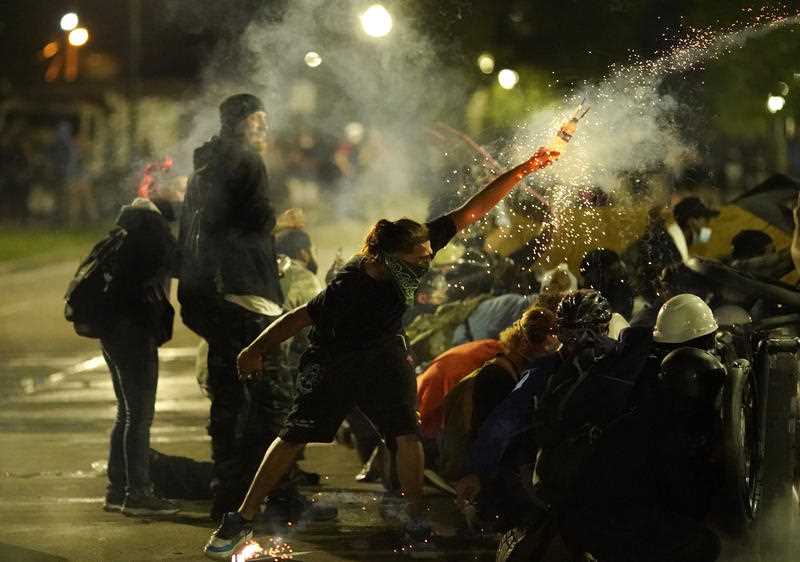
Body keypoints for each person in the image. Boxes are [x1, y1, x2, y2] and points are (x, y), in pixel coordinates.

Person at [203, 145, 559, 559]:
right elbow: (299, 317)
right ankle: (241, 517)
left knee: (406, 434)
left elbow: (474, 208)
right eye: (419, 258)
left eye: (429, 253)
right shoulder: (350, 286)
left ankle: (416, 522)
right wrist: (253, 349)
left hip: (384, 353)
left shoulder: (417, 246)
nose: (427, 262)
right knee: (293, 436)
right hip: (335, 359)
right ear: (390, 257)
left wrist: (527, 168)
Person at [177, 94, 303, 522]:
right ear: (241, 123)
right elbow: (247, 223)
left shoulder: (204, 167)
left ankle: (227, 495)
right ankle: (277, 493)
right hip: (248, 295)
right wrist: (279, 225)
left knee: (230, 401)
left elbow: (209, 228)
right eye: (258, 120)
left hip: (213, 295)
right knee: (272, 402)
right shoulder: (245, 162)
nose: (264, 128)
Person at [529, 293, 722, 562]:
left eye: (588, 331)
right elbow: (679, 487)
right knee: (703, 544)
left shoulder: (629, 368)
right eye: (572, 333)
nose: (581, 342)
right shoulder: (658, 397)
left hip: (582, 500)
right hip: (599, 513)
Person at [101, 163, 184, 516]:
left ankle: (117, 488)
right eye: (179, 190)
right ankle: (138, 493)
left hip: (115, 331)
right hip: (134, 332)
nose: (182, 198)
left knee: (127, 412)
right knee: (139, 416)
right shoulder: (150, 227)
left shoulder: (130, 222)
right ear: (159, 190)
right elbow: (182, 265)